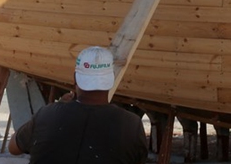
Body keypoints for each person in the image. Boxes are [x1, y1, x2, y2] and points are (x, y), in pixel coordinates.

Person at [8, 46, 148, 164]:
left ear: (75, 78)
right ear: (111, 78)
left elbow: (13, 147)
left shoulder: (46, 114)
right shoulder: (131, 125)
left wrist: (55, 108)